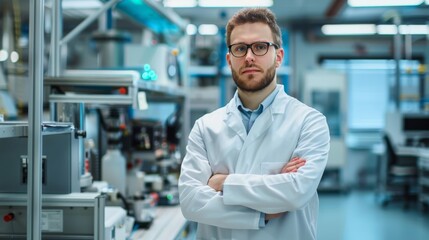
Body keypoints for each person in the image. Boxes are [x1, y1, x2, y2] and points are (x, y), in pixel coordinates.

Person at [178, 7, 330, 240]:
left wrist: (222, 183)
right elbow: (190, 201)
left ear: (278, 57)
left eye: (260, 47)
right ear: (230, 60)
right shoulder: (205, 127)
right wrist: (261, 213)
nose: (249, 57)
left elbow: (295, 193)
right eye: (240, 48)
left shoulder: (309, 123)